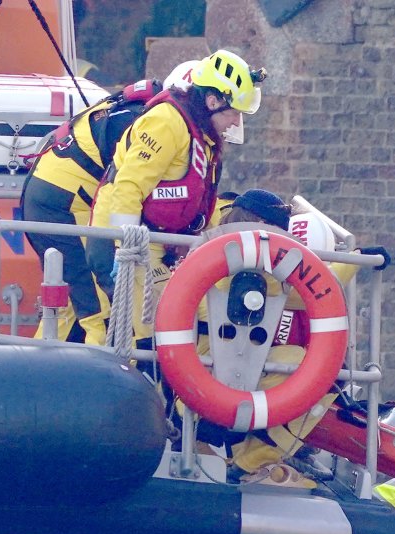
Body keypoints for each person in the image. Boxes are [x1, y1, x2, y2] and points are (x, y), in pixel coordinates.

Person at [88, 49, 265, 344]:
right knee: (151, 334)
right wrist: (126, 249)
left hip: (156, 242)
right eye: (234, 112)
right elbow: (129, 187)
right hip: (126, 241)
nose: (236, 122)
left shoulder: (201, 133)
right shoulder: (167, 122)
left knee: (180, 323)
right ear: (213, 101)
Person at [20, 73, 178, 344]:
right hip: (67, 206)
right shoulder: (154, 125)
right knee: (101, 314)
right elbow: (129, 190)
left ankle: (36, 378)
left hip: (51, 196)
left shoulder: (137, 111)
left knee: (70, 307)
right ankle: (97, 382)